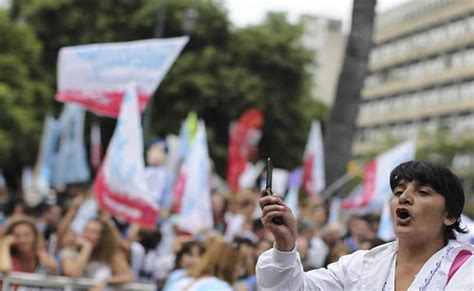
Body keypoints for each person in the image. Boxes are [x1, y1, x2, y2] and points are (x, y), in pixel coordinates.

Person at [256, 160, 474, 290]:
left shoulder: (467, 272)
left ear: (450, 216)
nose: (404, 197)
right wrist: (285, 246)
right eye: (399, 192)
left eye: (423, 192)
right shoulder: (362, 265)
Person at [60, 217, 134, 289]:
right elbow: (74, 274)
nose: (87, 234)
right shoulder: (71, 250)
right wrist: (87, 248)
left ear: (102, 236)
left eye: (93, 232)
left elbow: (128, 276)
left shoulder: (110, 252)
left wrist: (106, 281)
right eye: (85, 230)